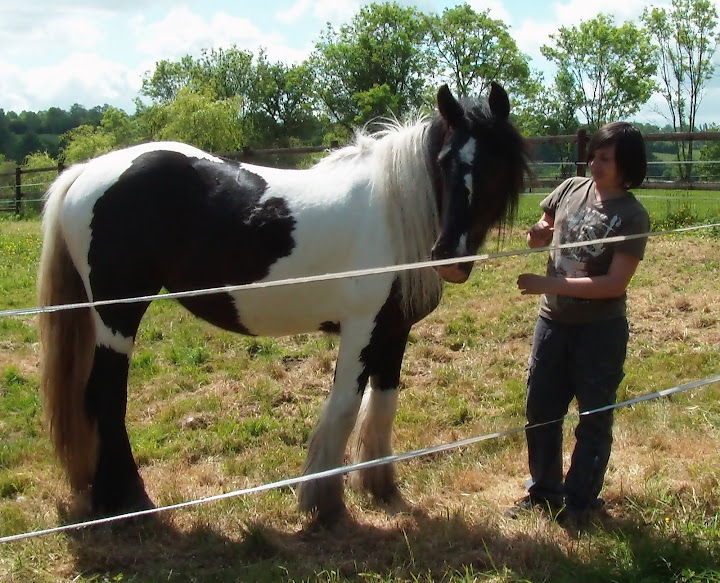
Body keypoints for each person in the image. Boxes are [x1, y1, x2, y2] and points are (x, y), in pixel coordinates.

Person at [512, 122, 650, 527]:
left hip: (599, 331)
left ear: (626, 165)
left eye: (605, 158)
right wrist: (537, 234)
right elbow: (541, 233)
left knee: (594, 416)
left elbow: (614, 284)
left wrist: (547, 283)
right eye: (593, 155)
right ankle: (544, 493)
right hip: (552, 322)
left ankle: (581, 500)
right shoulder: (571, 189)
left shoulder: (631, 215)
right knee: (541, 410)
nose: (594, 163)